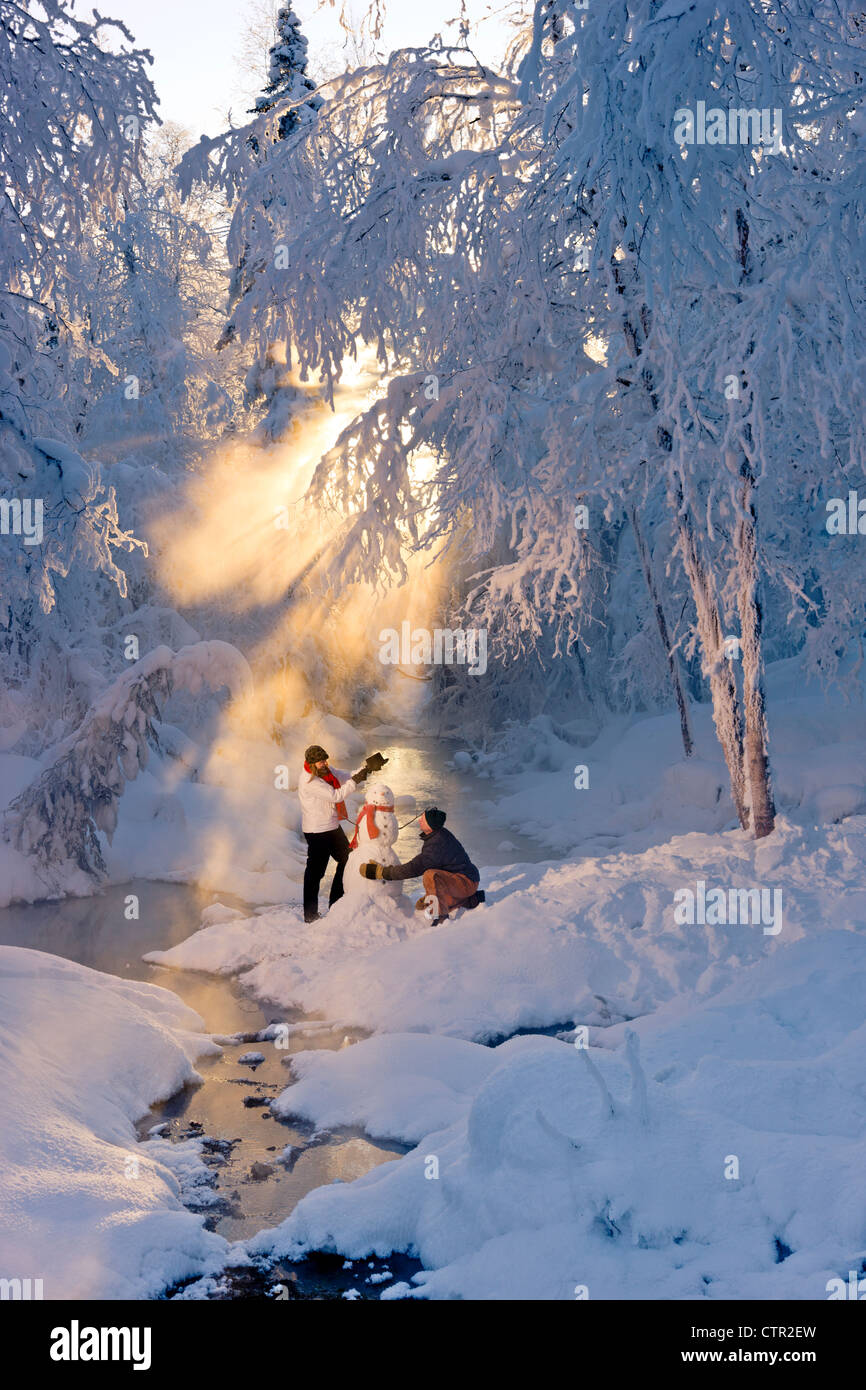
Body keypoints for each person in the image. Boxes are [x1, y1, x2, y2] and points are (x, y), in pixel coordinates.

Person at [299, 744, 388, 922]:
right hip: (317, 831)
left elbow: (346, 776)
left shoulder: (326, 771)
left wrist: (366, 769)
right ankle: (310, 915)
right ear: (312, 763)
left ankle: (335, 904)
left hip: (331, 827)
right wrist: (356, 780)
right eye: (320, 761)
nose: (324, 763)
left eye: (325, 759)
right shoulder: (309, 781)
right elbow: (336, 796)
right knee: (316, 873)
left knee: (347, 860)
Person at [359, 806, 484, 924]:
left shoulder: (437, 844)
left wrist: (382, 872)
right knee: (433, 893)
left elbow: (413, 868)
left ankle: (440, 916)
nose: (419, 820)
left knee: (430, 875)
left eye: (422, 819)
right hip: (465, 879)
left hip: (466, 881)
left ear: (430, 826)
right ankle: (470, 899)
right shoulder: (438, 835)